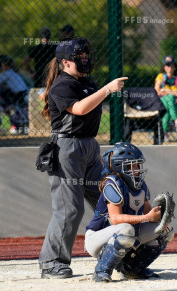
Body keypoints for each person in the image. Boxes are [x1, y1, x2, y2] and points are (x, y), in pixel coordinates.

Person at [38, 37, 128, 279]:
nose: (86, 60)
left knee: (110, 200)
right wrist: (107, 89)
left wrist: (101, 89)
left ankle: (118, 256)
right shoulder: (61, 85)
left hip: (89, 146)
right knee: (70, 209)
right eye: (80, 58)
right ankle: (51, 262)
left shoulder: (86, 82)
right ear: (65, 62)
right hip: (67, 148)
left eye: (87, 56)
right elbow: (79, 109)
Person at [85, 142, 174, 282]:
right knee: (126, 229)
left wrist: (161, 218)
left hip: (125, 233)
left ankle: (132, 269)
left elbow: (149, 215)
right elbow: (115, 219)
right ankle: (101, 270)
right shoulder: (112, 183)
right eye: (131, 166)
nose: (136, 169)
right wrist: (146, 217)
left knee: (165, 232)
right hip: (97, 237)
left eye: (137, 165)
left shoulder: (140, 184)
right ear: (118, 167)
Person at [0, 56, 30, 134]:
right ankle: (21, 124)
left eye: (2, 66)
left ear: (6, 66)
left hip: (19, 93)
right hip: (23, 91)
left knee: (18, 109)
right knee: (20, 109)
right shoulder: (13, 72)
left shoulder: (7, 73)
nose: (2, 67)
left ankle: (20, 124)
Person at [154, 55, 177, 140]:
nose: (170, 67)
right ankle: (176, 120)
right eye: (167, 65)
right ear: (164, 67)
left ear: (175, 67)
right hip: (162, 100)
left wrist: (165, 90)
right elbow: (157, 91)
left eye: (172, 65)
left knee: (167, 109)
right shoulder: (160, 76)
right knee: (171, 97)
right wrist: (173, 92)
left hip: (176, 102)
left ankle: (164, 133)